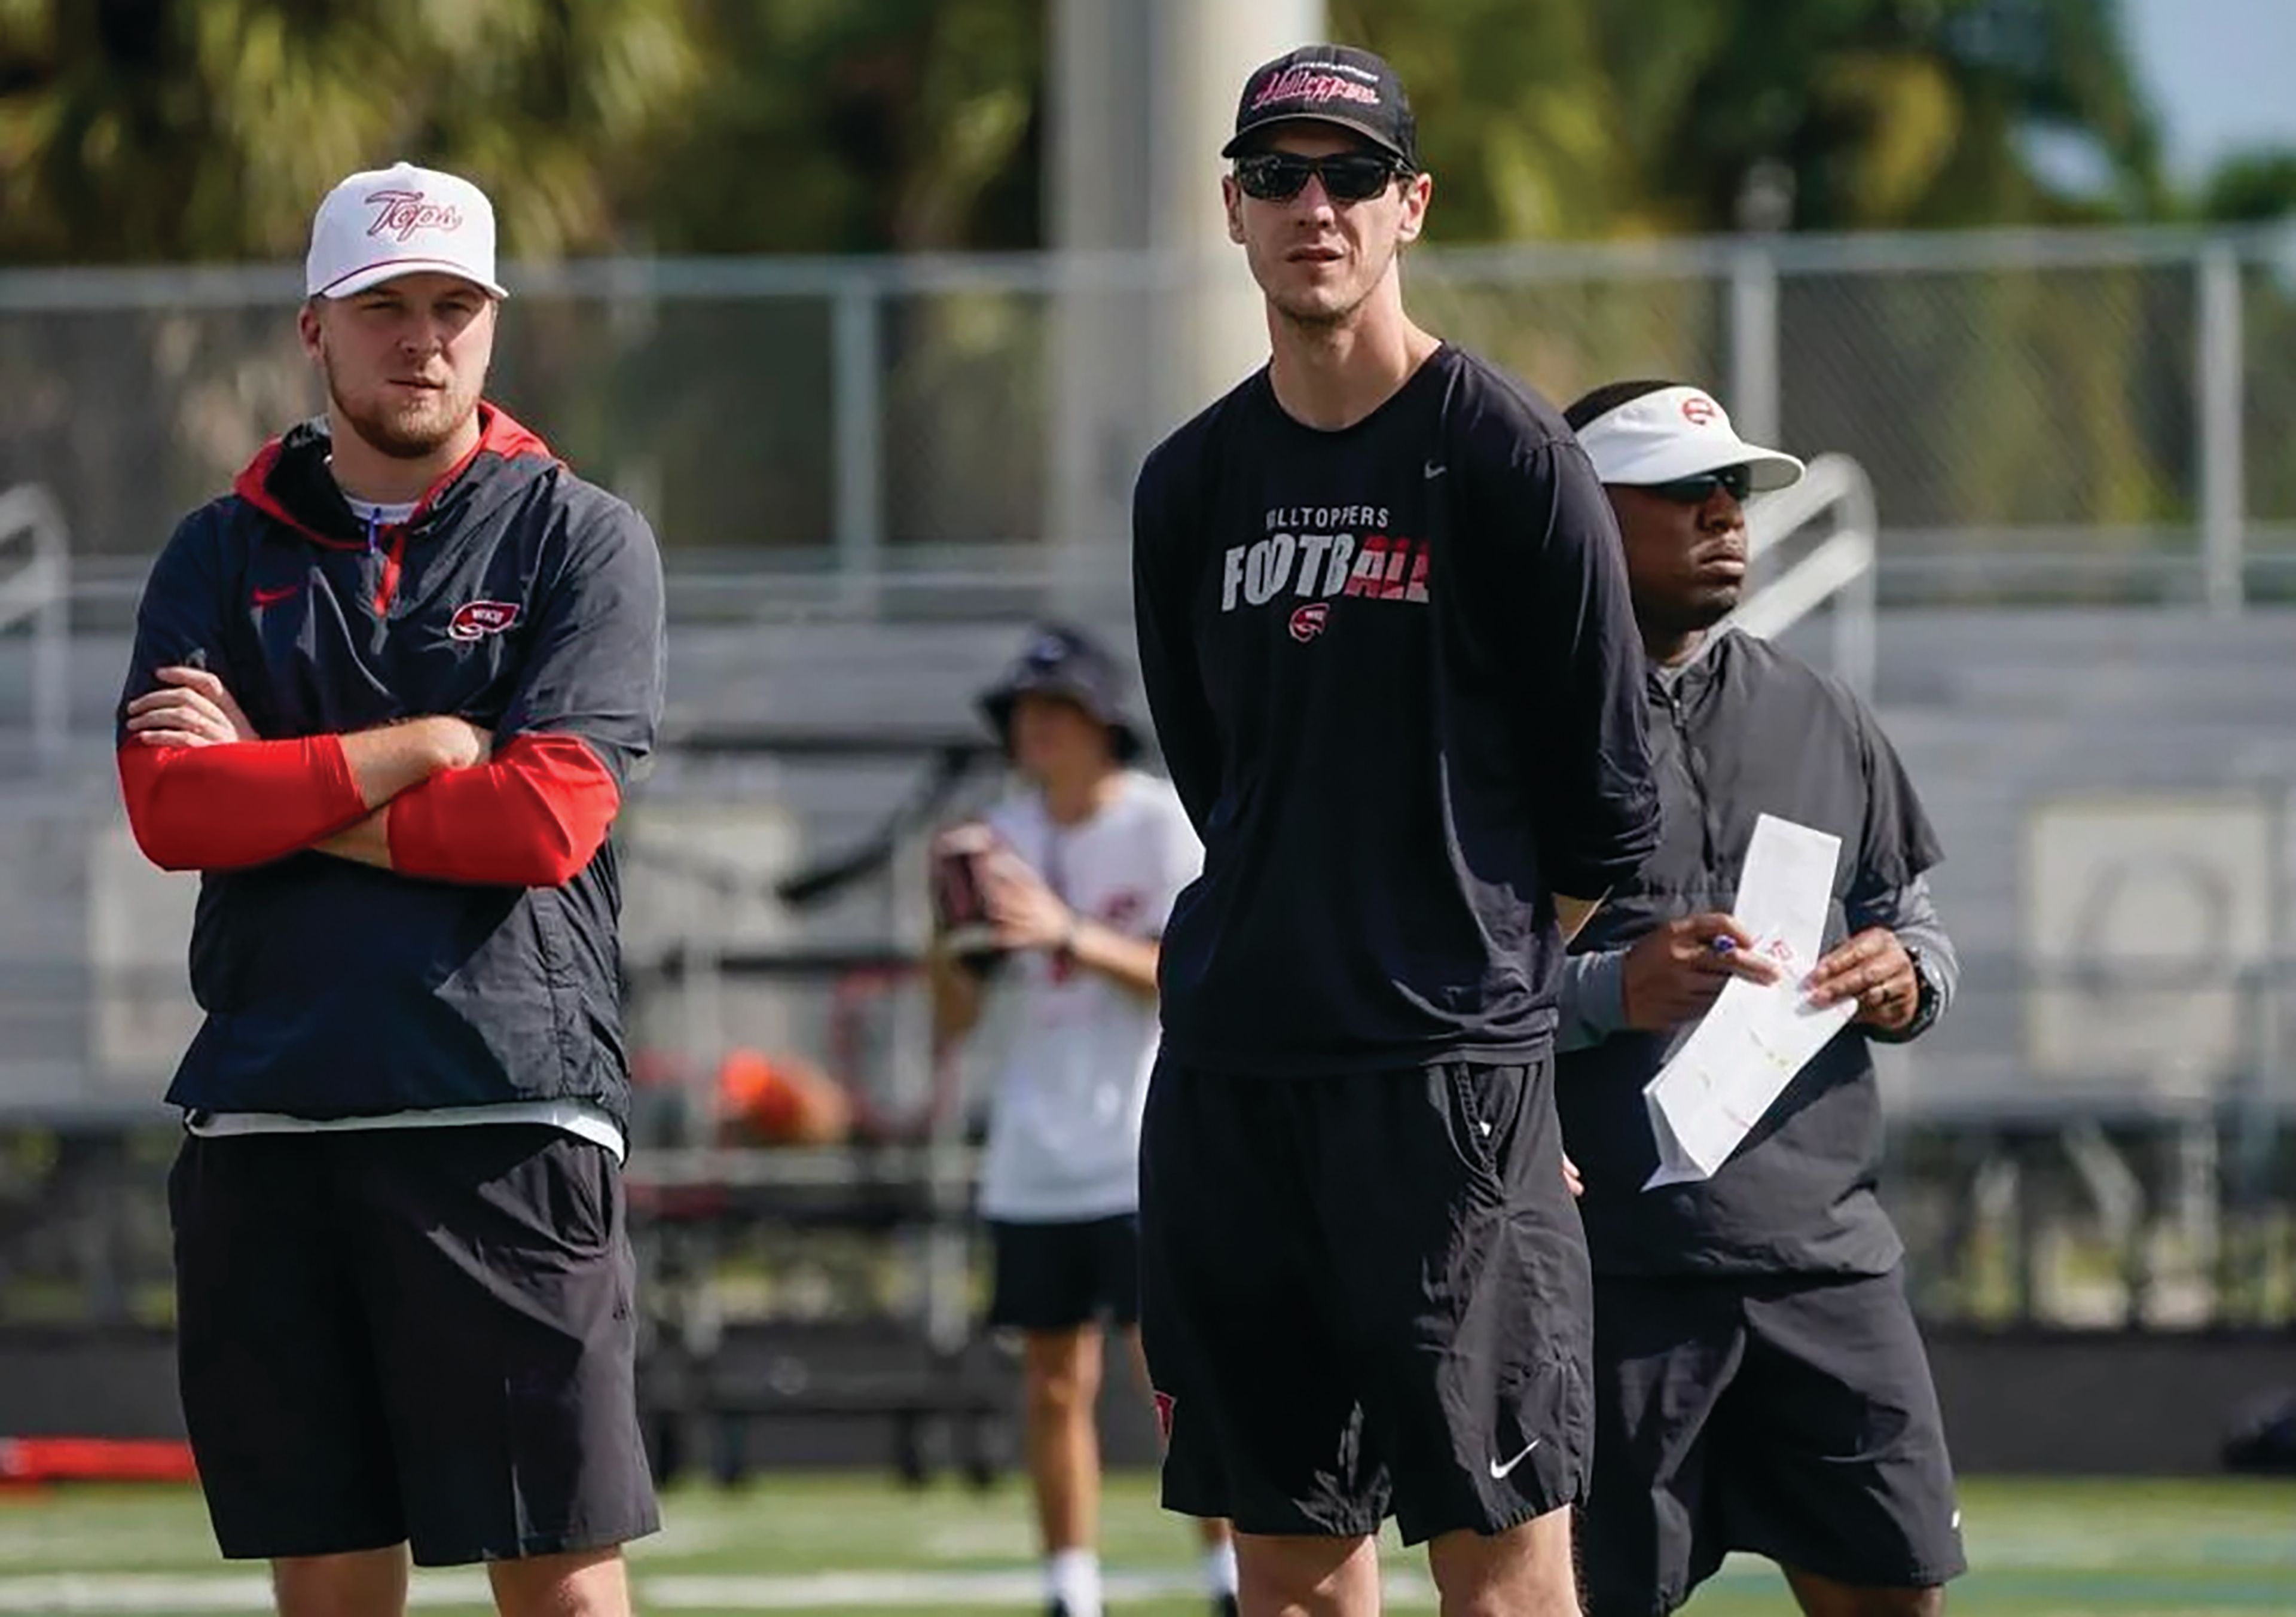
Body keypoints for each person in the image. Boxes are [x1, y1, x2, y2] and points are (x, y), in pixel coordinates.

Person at [1129, 43, 1661, 1617]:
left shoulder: (1506, 456)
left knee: (1500, 1573)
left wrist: (1483, 1012)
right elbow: (1215, 771)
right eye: (1278, 174)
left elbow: (1605, 803)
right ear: (1232, 207)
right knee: (1285, 1572)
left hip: (1443, 1101)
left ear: (1409, 206)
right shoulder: (1189, 484)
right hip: (1233, 1085)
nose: (1315, 205)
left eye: (1351, 174)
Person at [116, 161, 664, 1617]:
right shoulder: (218, 548)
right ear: (317, 327)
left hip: (503, 1110)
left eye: (452, 306)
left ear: (492, 325)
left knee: (557, 1573)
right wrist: (415, 748)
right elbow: (172, 807)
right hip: (269, 1114)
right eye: (384, 308)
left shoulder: (579, 536)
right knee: (330, 1575)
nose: (420, 338)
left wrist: (281, 793)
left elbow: (544, 821)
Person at [1554, 379, 1965, 1617]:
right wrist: (1607, 989)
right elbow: (1447, 983)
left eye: (1732, 489)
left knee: (1893, 1597)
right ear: (1582, 512)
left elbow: (1914, 921)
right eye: (1684, 492)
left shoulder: (1819, 710)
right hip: (1603, 1270)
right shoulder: (1505, 724)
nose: (1725, 513)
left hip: (1823, 1262)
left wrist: (1905, 977)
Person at [929, 626, 1237, 1617]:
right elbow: (956, 1018)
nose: (1035, 731)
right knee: (1055, 1377)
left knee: (1181, 1369)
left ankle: (1228, 1571)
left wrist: (1063, 931)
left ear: (1103, 726)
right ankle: (1072, 1590)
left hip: (1147, 1140)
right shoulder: (999, 833)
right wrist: (952, 935)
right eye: (1024, 715)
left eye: (1055, 712)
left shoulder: (1158, 825)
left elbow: (1191, 980)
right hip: (1033, 1146)